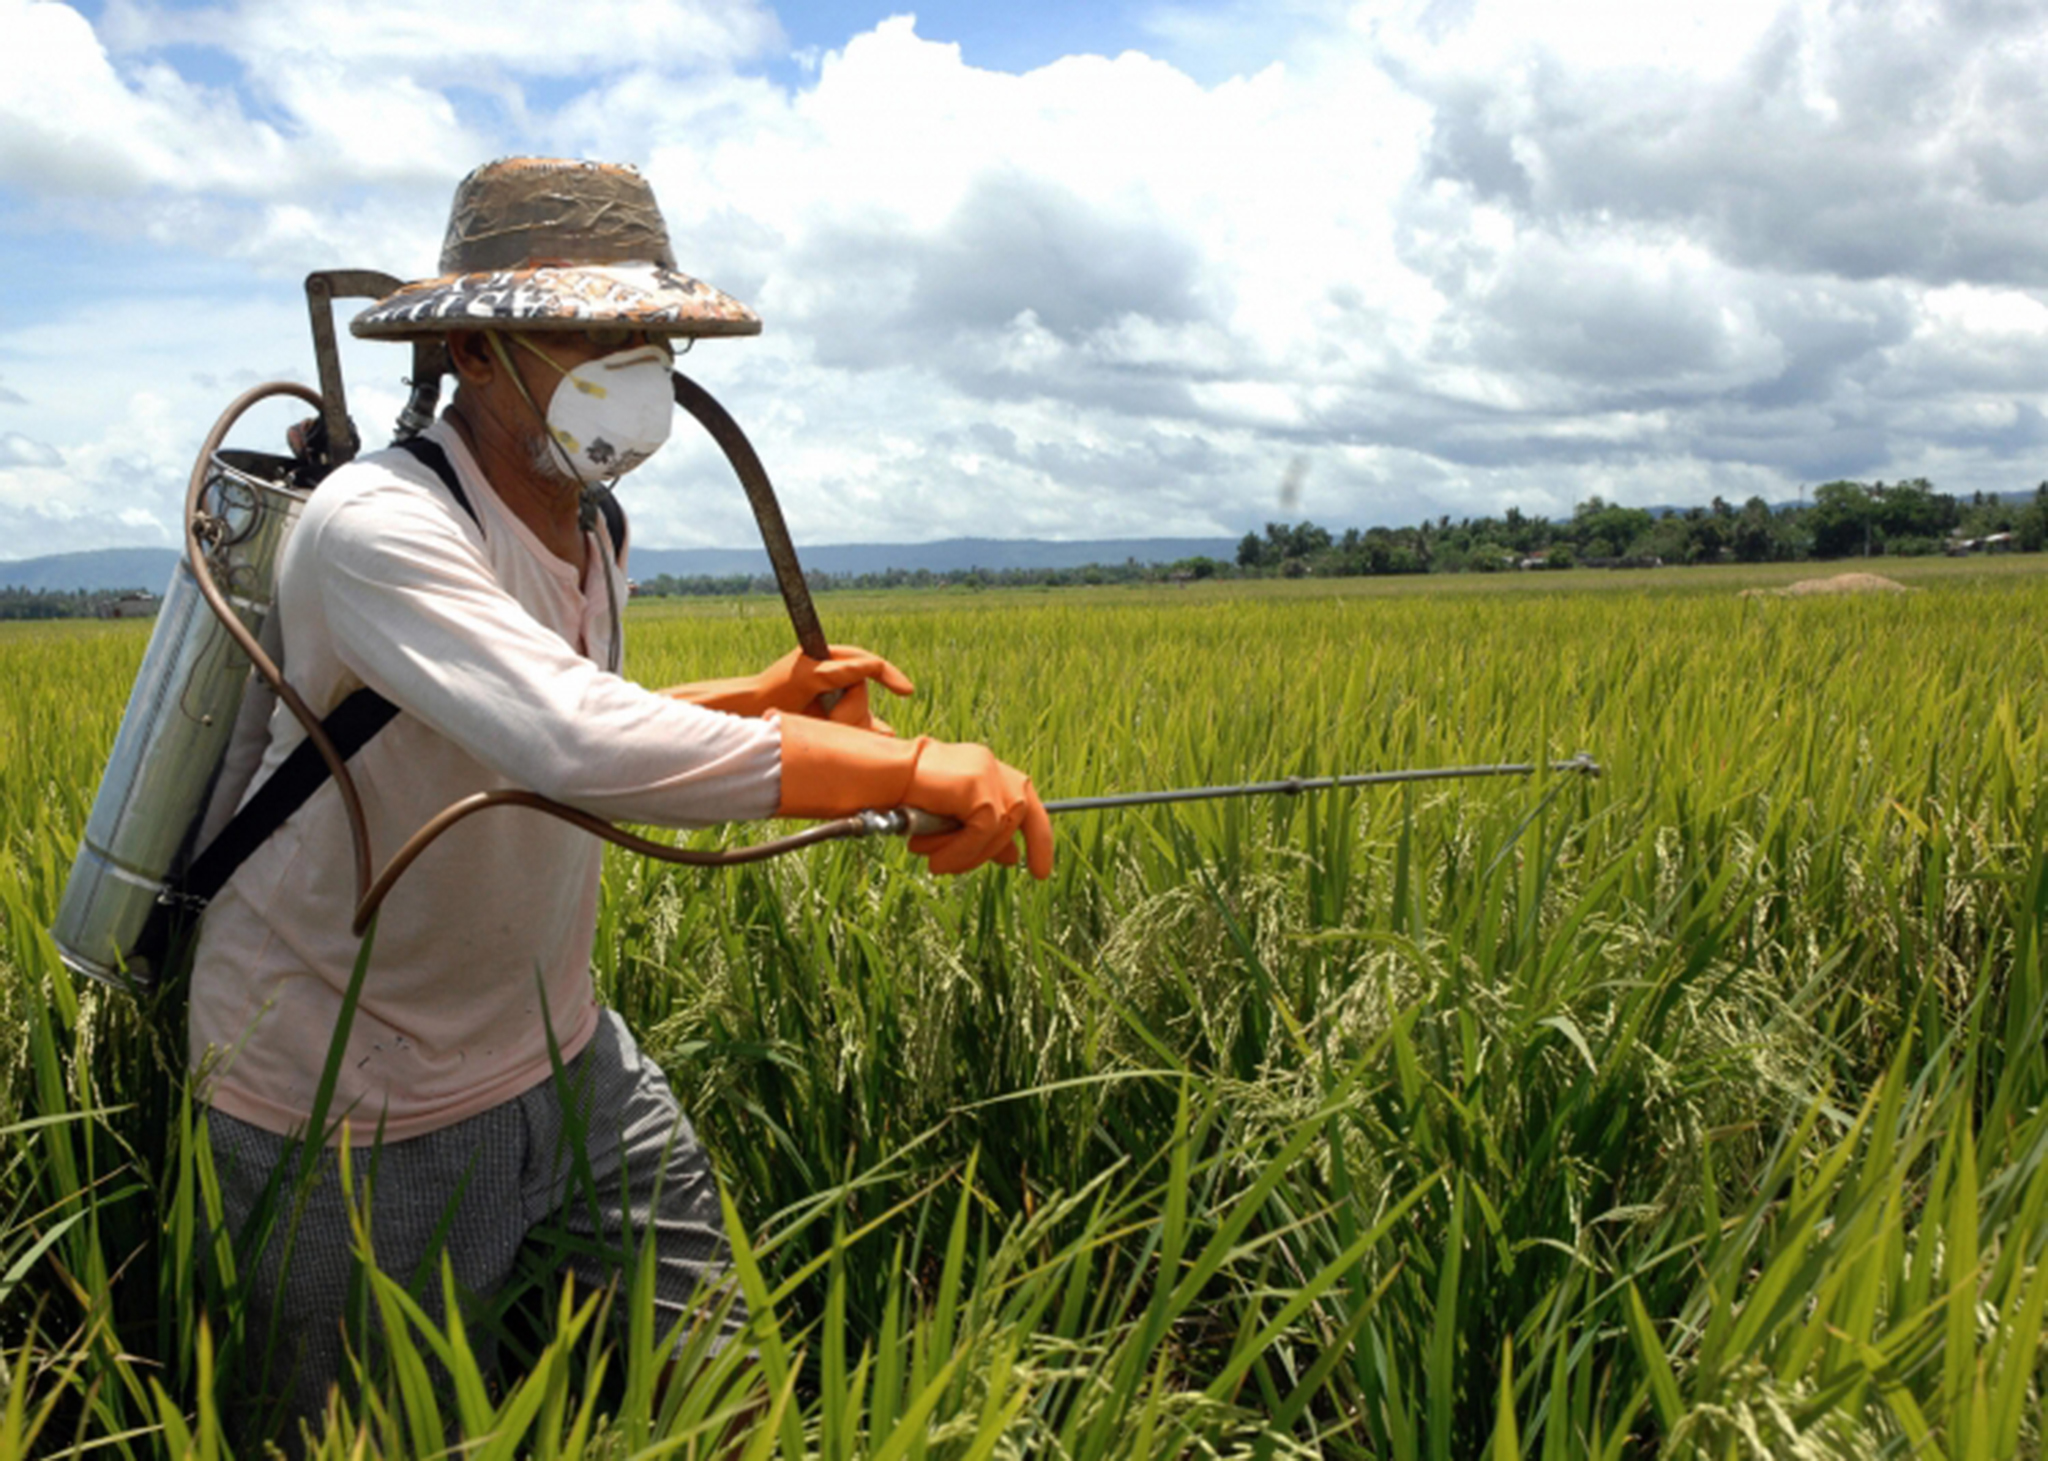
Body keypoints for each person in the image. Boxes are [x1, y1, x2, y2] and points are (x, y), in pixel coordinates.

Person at [188, 156, 1053, 1446]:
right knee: (359, 1438)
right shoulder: (377, 527)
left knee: (720, 1391)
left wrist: (752, 705)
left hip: (562, 1049)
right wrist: (909, 769)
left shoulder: (591, 524)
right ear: (474, 351)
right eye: (591, 333)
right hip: (343, 1100)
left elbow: (532, 719)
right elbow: (570, 738)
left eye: (645, 333)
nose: (635, 364)